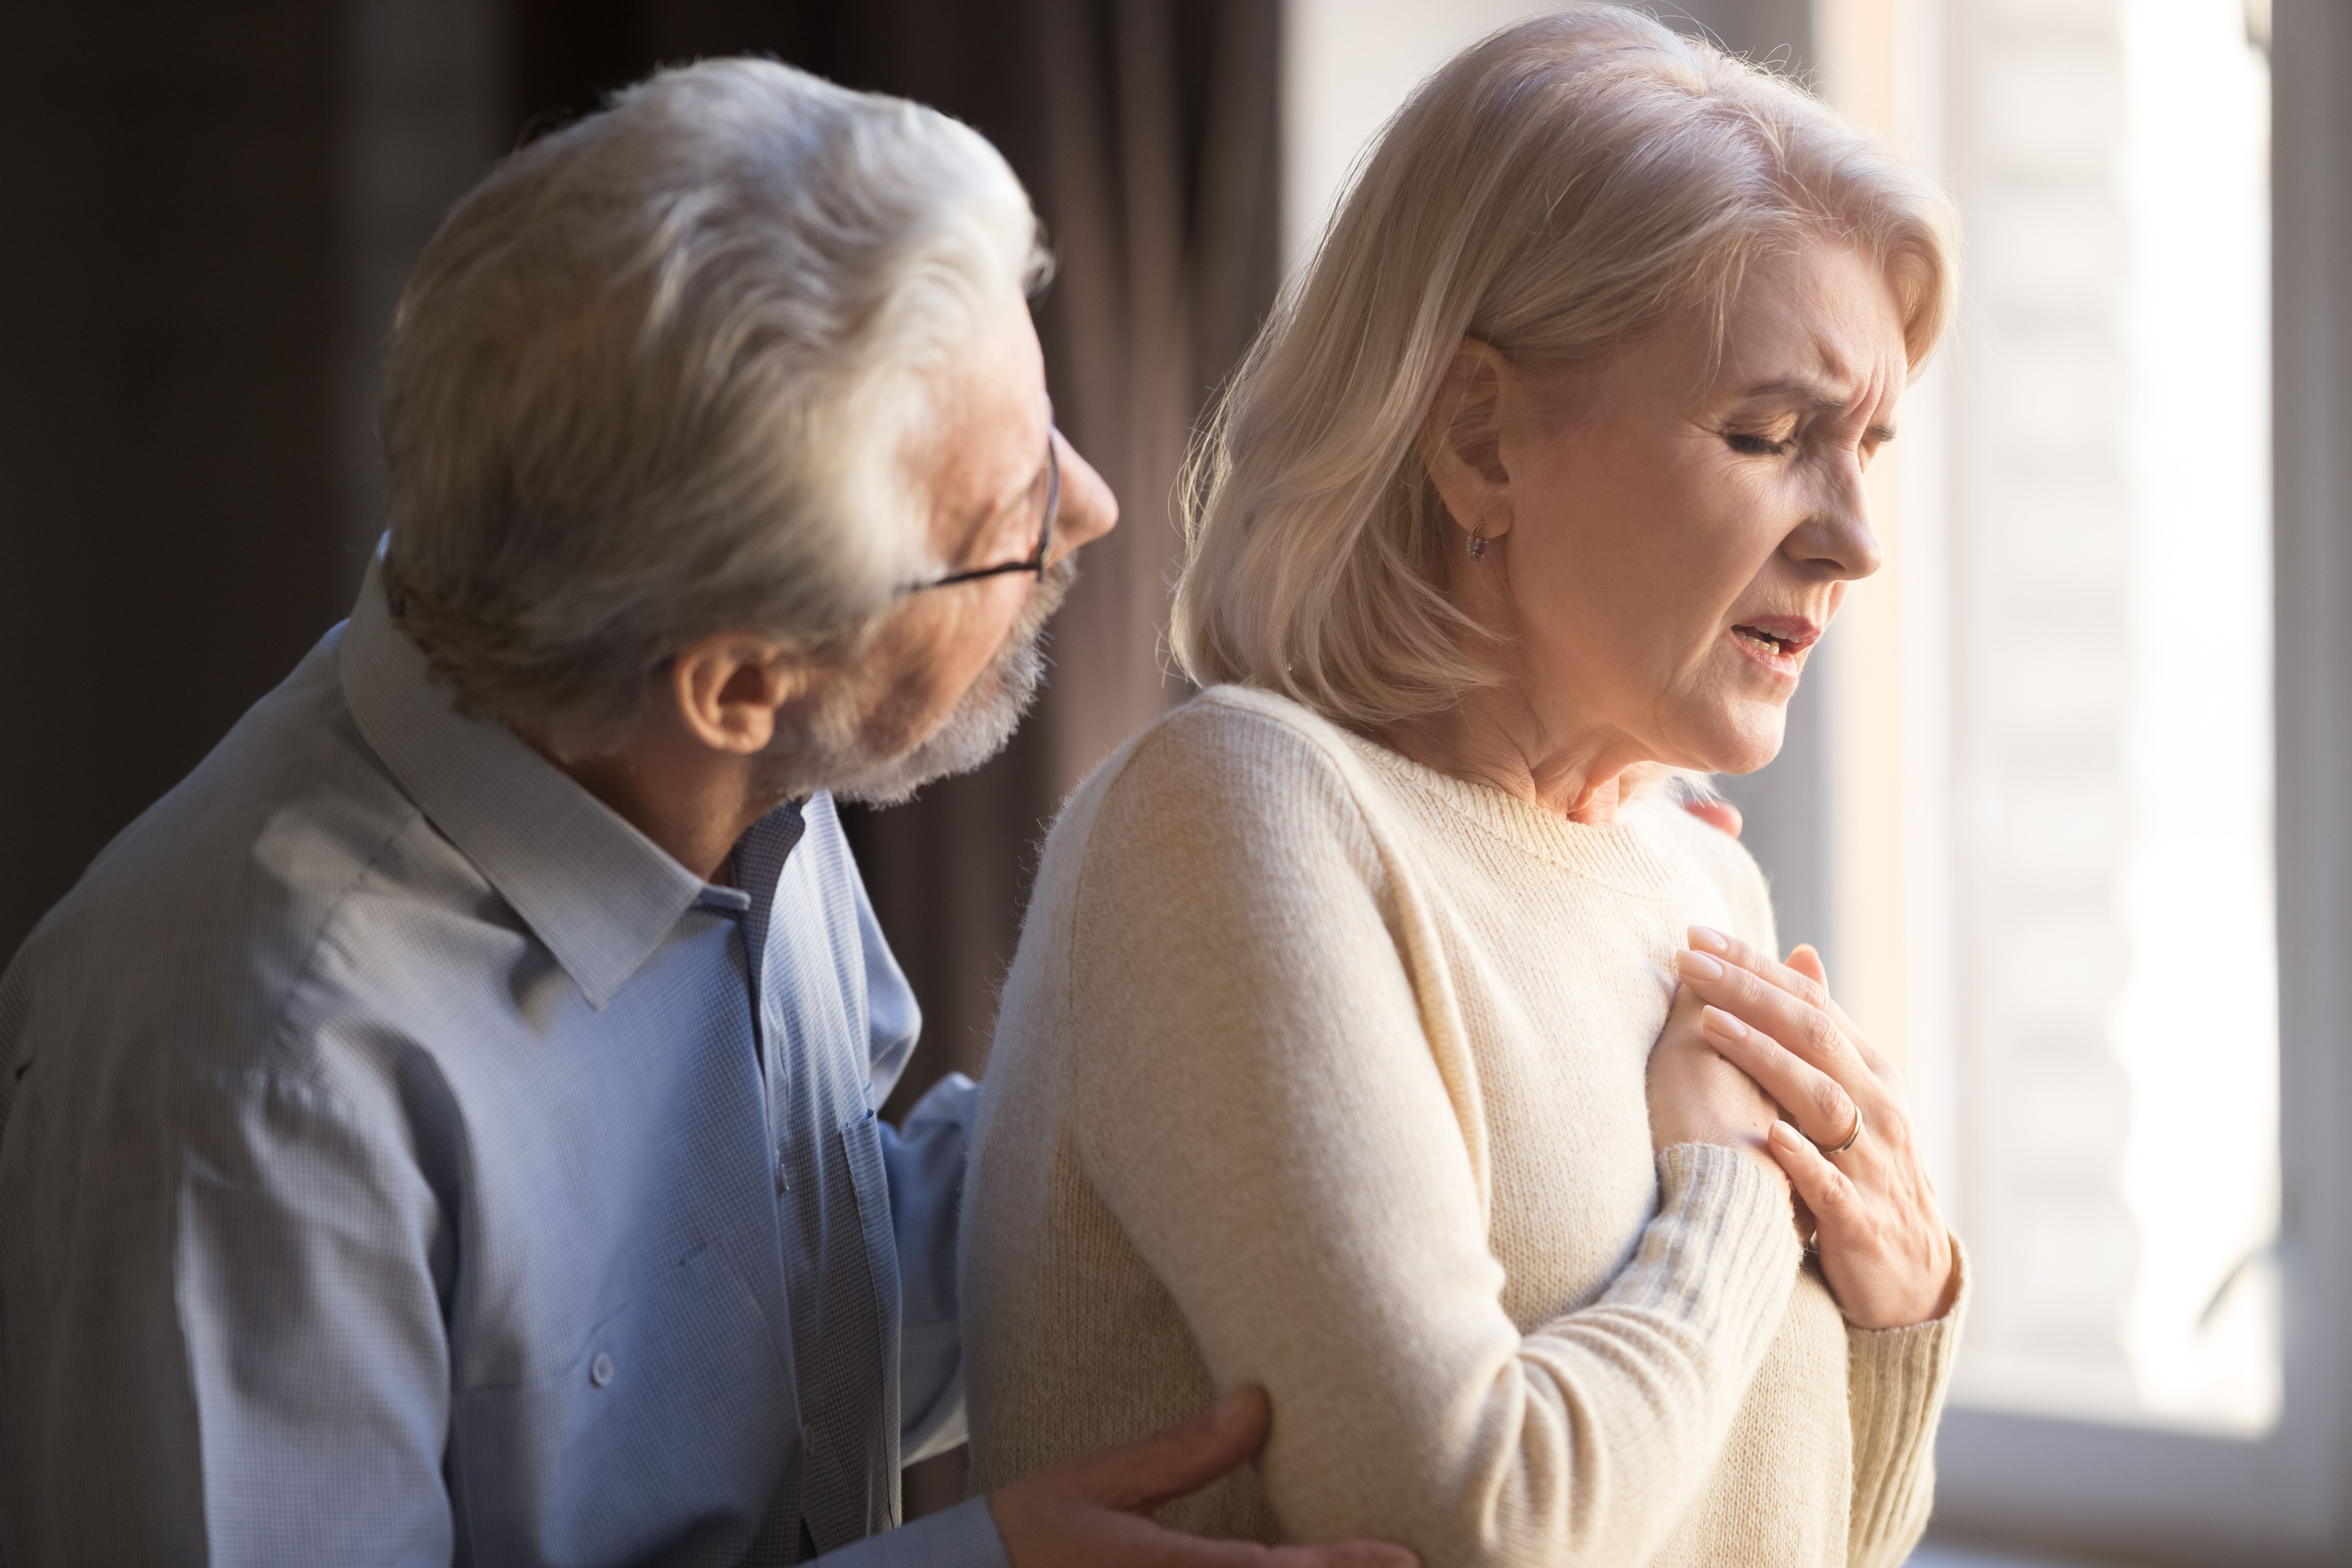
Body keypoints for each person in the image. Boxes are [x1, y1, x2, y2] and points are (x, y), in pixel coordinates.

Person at [0, 60, 1416, 1568]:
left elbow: (807, 1306)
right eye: (1002, 517)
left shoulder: (724, 782)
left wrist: (1304, 1095)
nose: (1094, 508)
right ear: (740, 681)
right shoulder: (254, 1092)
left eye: (1045, 416)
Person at [964, 9, 1967, 1566]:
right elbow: (1468, 1522)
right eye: (1770, 434)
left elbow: (1775, 1534)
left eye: (1869, 449)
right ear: (1480, 441)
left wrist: (1898, 1310)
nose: (1855, 537)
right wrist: (1723, 1204)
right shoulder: (1239, 814)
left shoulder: (1700, 882)